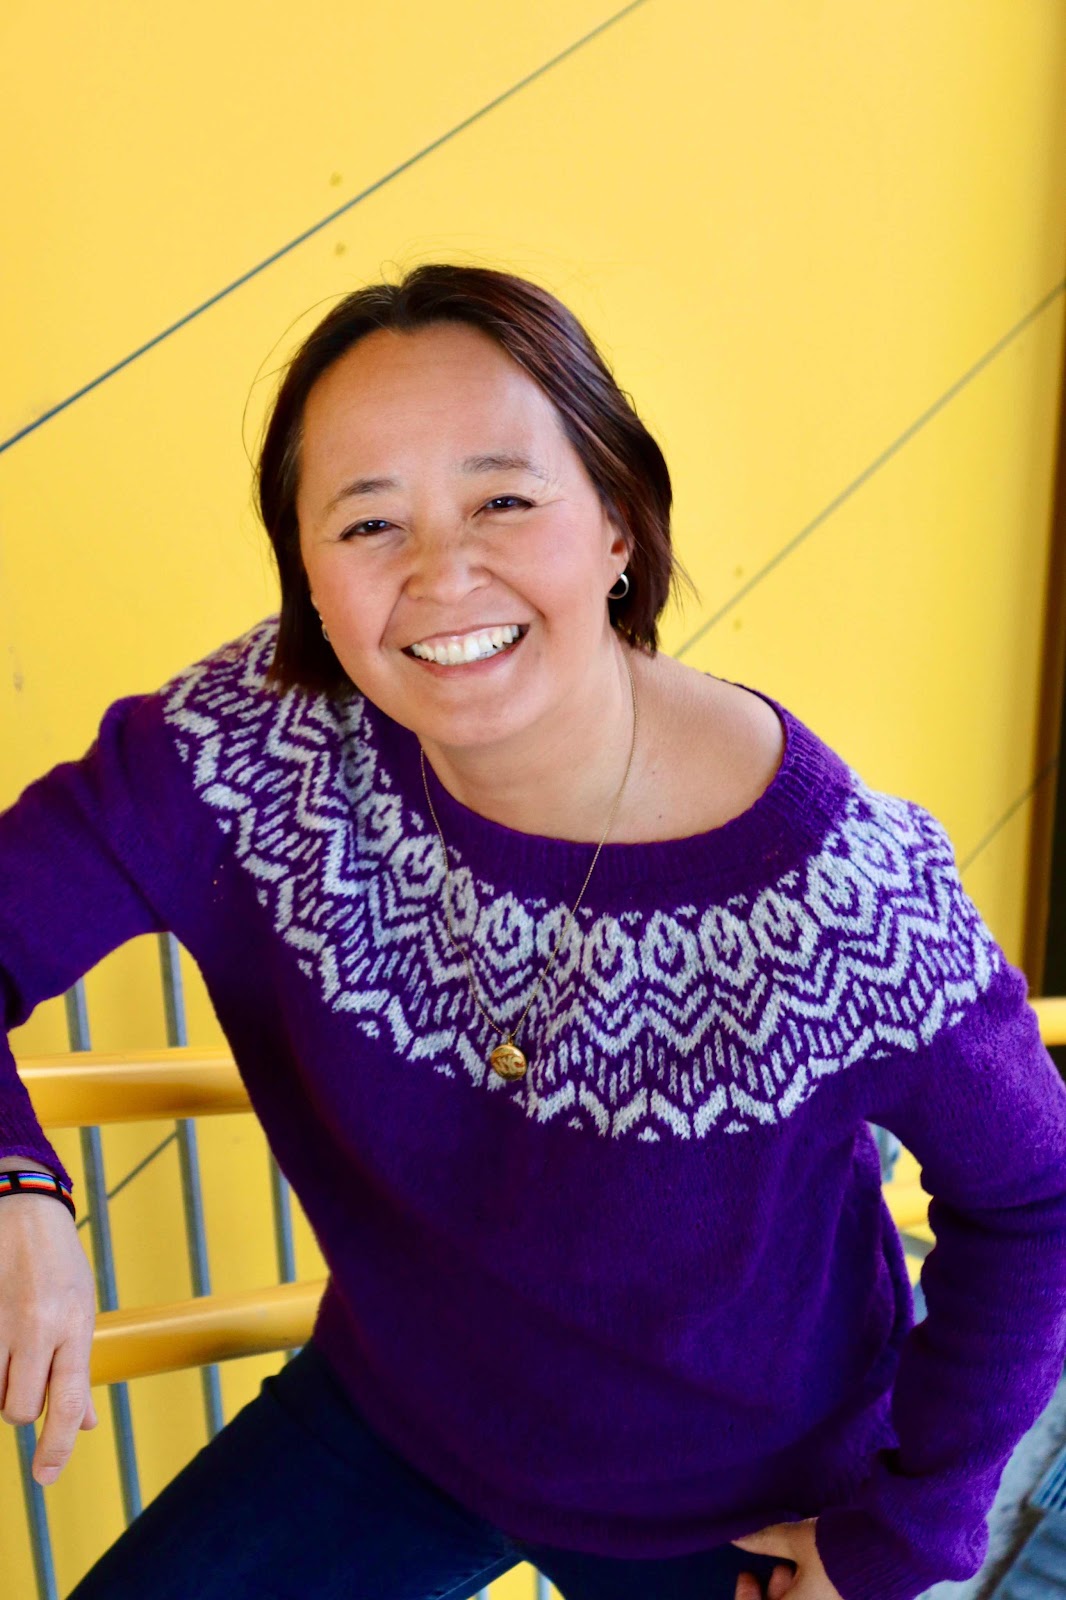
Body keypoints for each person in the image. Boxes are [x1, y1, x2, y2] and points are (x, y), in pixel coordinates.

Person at [1, 264, 1065, 1600]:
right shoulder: (251, 749)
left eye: (503, 499)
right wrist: (18, 1186)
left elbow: (1035, 1197)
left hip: (746, 1506)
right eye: (368, 522)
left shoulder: (838, 895)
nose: (443, 573)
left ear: (617, 522)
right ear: (308, 577)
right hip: (403, 1416)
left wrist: (904, 1537)